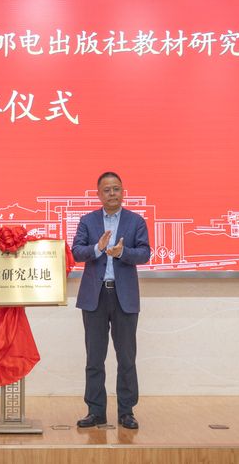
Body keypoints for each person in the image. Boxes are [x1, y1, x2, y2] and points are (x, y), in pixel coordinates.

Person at [71, 171, 151, 429]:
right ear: (98, 194)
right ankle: (96, 412)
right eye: (107, 190)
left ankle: (126, 412)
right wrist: (98, 248)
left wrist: (121, 252)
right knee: (94, 358)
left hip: (123, 296)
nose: (112, 193)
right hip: (94, 297)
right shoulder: (87, 221)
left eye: (116, 188)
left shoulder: (135, 221)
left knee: (126, 358)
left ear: (123, 191)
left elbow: (145, 253)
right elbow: (76, 252)